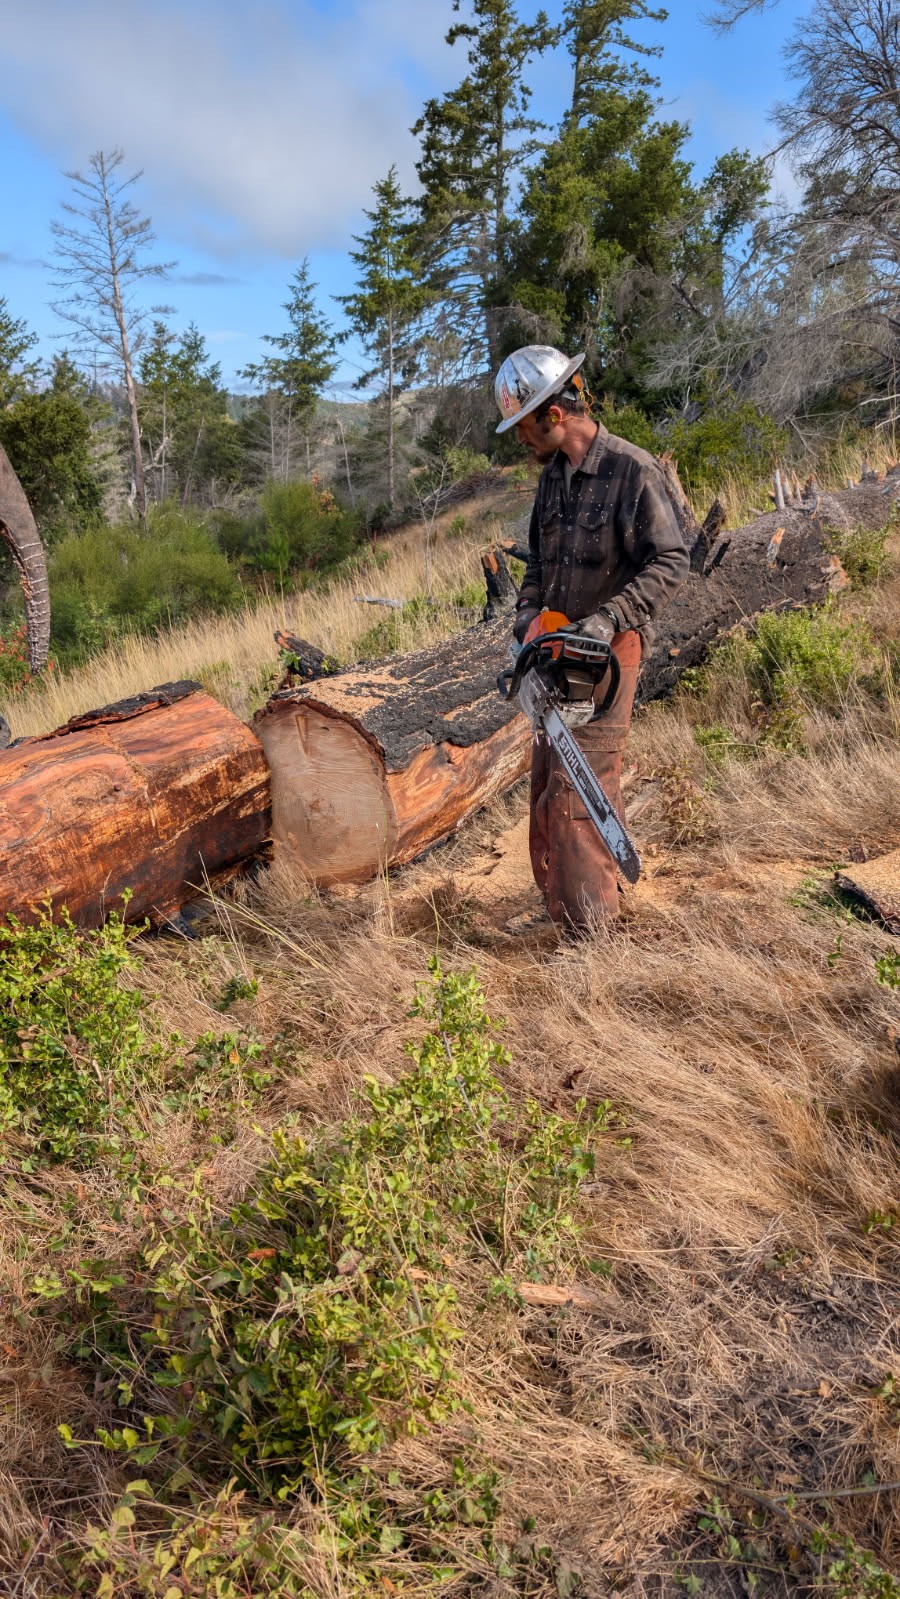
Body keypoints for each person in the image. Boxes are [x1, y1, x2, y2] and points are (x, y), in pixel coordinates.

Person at [494, 344, 689, 931]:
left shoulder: (632, 470)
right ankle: (562, 907)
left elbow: (671, 560)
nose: (520, 439)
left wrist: (608, 619)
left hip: (609, 651)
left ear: (553, 414)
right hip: (555, 648)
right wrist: (530, 616)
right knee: (550, 776)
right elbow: (535, 565)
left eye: (524, 425)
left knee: (584, 785)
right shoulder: (552, 481)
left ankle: (593, 929)